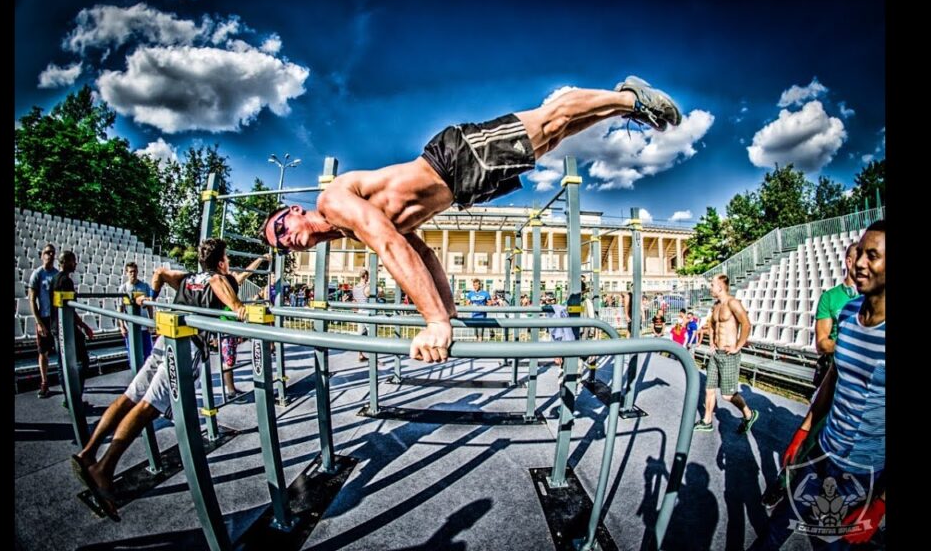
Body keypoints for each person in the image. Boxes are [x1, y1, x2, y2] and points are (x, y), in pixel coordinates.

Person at [259, 77, 681, 362]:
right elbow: (422, 252)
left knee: (549, 119)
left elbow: (392, 246)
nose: (285, 239)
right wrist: (450, 308)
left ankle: (628, 96)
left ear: (295, 211)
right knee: (552, 138)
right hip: (462, 187)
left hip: (453, 159)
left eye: (281, 226)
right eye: (278, 243)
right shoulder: (346, 232)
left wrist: (435, 321)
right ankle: (624, 106)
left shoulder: (333, 202)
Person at [70, 238, 247, 518]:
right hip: (184, 345)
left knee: (131, 396)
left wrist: (150, 299)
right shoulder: (216, 278)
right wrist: (239, 307)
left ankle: (88, 452)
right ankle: (103, 469)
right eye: (226, 259)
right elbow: (223, 289)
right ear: (222, 261)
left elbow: (161, 273)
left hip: (164, 339)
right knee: (148, 407)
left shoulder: (189, 278)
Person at [750, 221, 885, 550]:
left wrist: (881, 499)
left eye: (873, 256)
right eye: (860, 254)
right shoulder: (850, 311)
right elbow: (834, 375)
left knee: (827, 541)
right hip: (825, 447)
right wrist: (804, 431)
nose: (861, 264)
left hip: (863, 468)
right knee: (777, 526)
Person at [694, 274, 758, 434]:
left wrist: (738, 346)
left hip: (729, 354)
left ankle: (749, 415)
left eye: (712, 285)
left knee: (728, 396)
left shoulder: (733, 303)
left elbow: (746, 324)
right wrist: (711, 342)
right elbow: (712, 325)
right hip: (716, 354)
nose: (710, 288)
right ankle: (707, 421)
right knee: (709, 389)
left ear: (720, 287)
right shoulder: (715, 306)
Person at [219, 252, 271, 399]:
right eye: (234, 271)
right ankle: (230, 391)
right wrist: (260, 258)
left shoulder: (227, 284)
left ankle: (231, 389)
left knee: (230, 359)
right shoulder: (226, 282)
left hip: (231, 325)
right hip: (226, 326)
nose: (237, 273)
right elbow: (246, 273)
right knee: (228, 360)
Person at [51, 251, 96, 402]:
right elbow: (68, 308)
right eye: (72, 261)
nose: (75, 264)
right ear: (64, 262)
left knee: (62, 364)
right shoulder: (65, 281)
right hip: (66, 328)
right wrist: (83, 325)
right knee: (82, 361)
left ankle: (69, 398)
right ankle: (74, 397)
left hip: (56, 326)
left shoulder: (54, 279)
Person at [813, 242, 858, 388]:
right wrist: (857, 346)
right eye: (862, 258)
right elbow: (821, 344)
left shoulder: (876, 297)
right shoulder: (829, 297)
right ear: (849, 262)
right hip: (835, 372)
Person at [28, 243, 58, 398]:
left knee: (62, 351)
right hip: (44, 318)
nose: (50, 255)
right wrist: (39, 322)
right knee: (43, 352)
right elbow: (32, 300)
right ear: (42, 255)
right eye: (47, 252)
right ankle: (44, 382)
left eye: (52, 253)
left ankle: (66, 382)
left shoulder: (57, 274)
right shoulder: (37, 274)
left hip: (57, 319)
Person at [118, 262, 155, 363]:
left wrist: (151, 322)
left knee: (148, 354)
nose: (133, 274)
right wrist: (122, 326)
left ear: (137, 272)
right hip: (130, 328)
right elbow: (120, 309)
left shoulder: (144, 286)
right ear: (126, 273)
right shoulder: (123, 288)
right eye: (130, 272)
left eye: (134, 271)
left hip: (144, 326)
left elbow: (149, 306)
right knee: (133, 355)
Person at [352, 268, 371, 361]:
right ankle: (373, 357)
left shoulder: (355, 287)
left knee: (360, 335)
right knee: (372, 335)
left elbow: (355, 300)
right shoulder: (367, 287)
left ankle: (360, 355)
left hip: (359, 313)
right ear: (365, 276)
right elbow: (381, 294)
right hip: (367, 312)